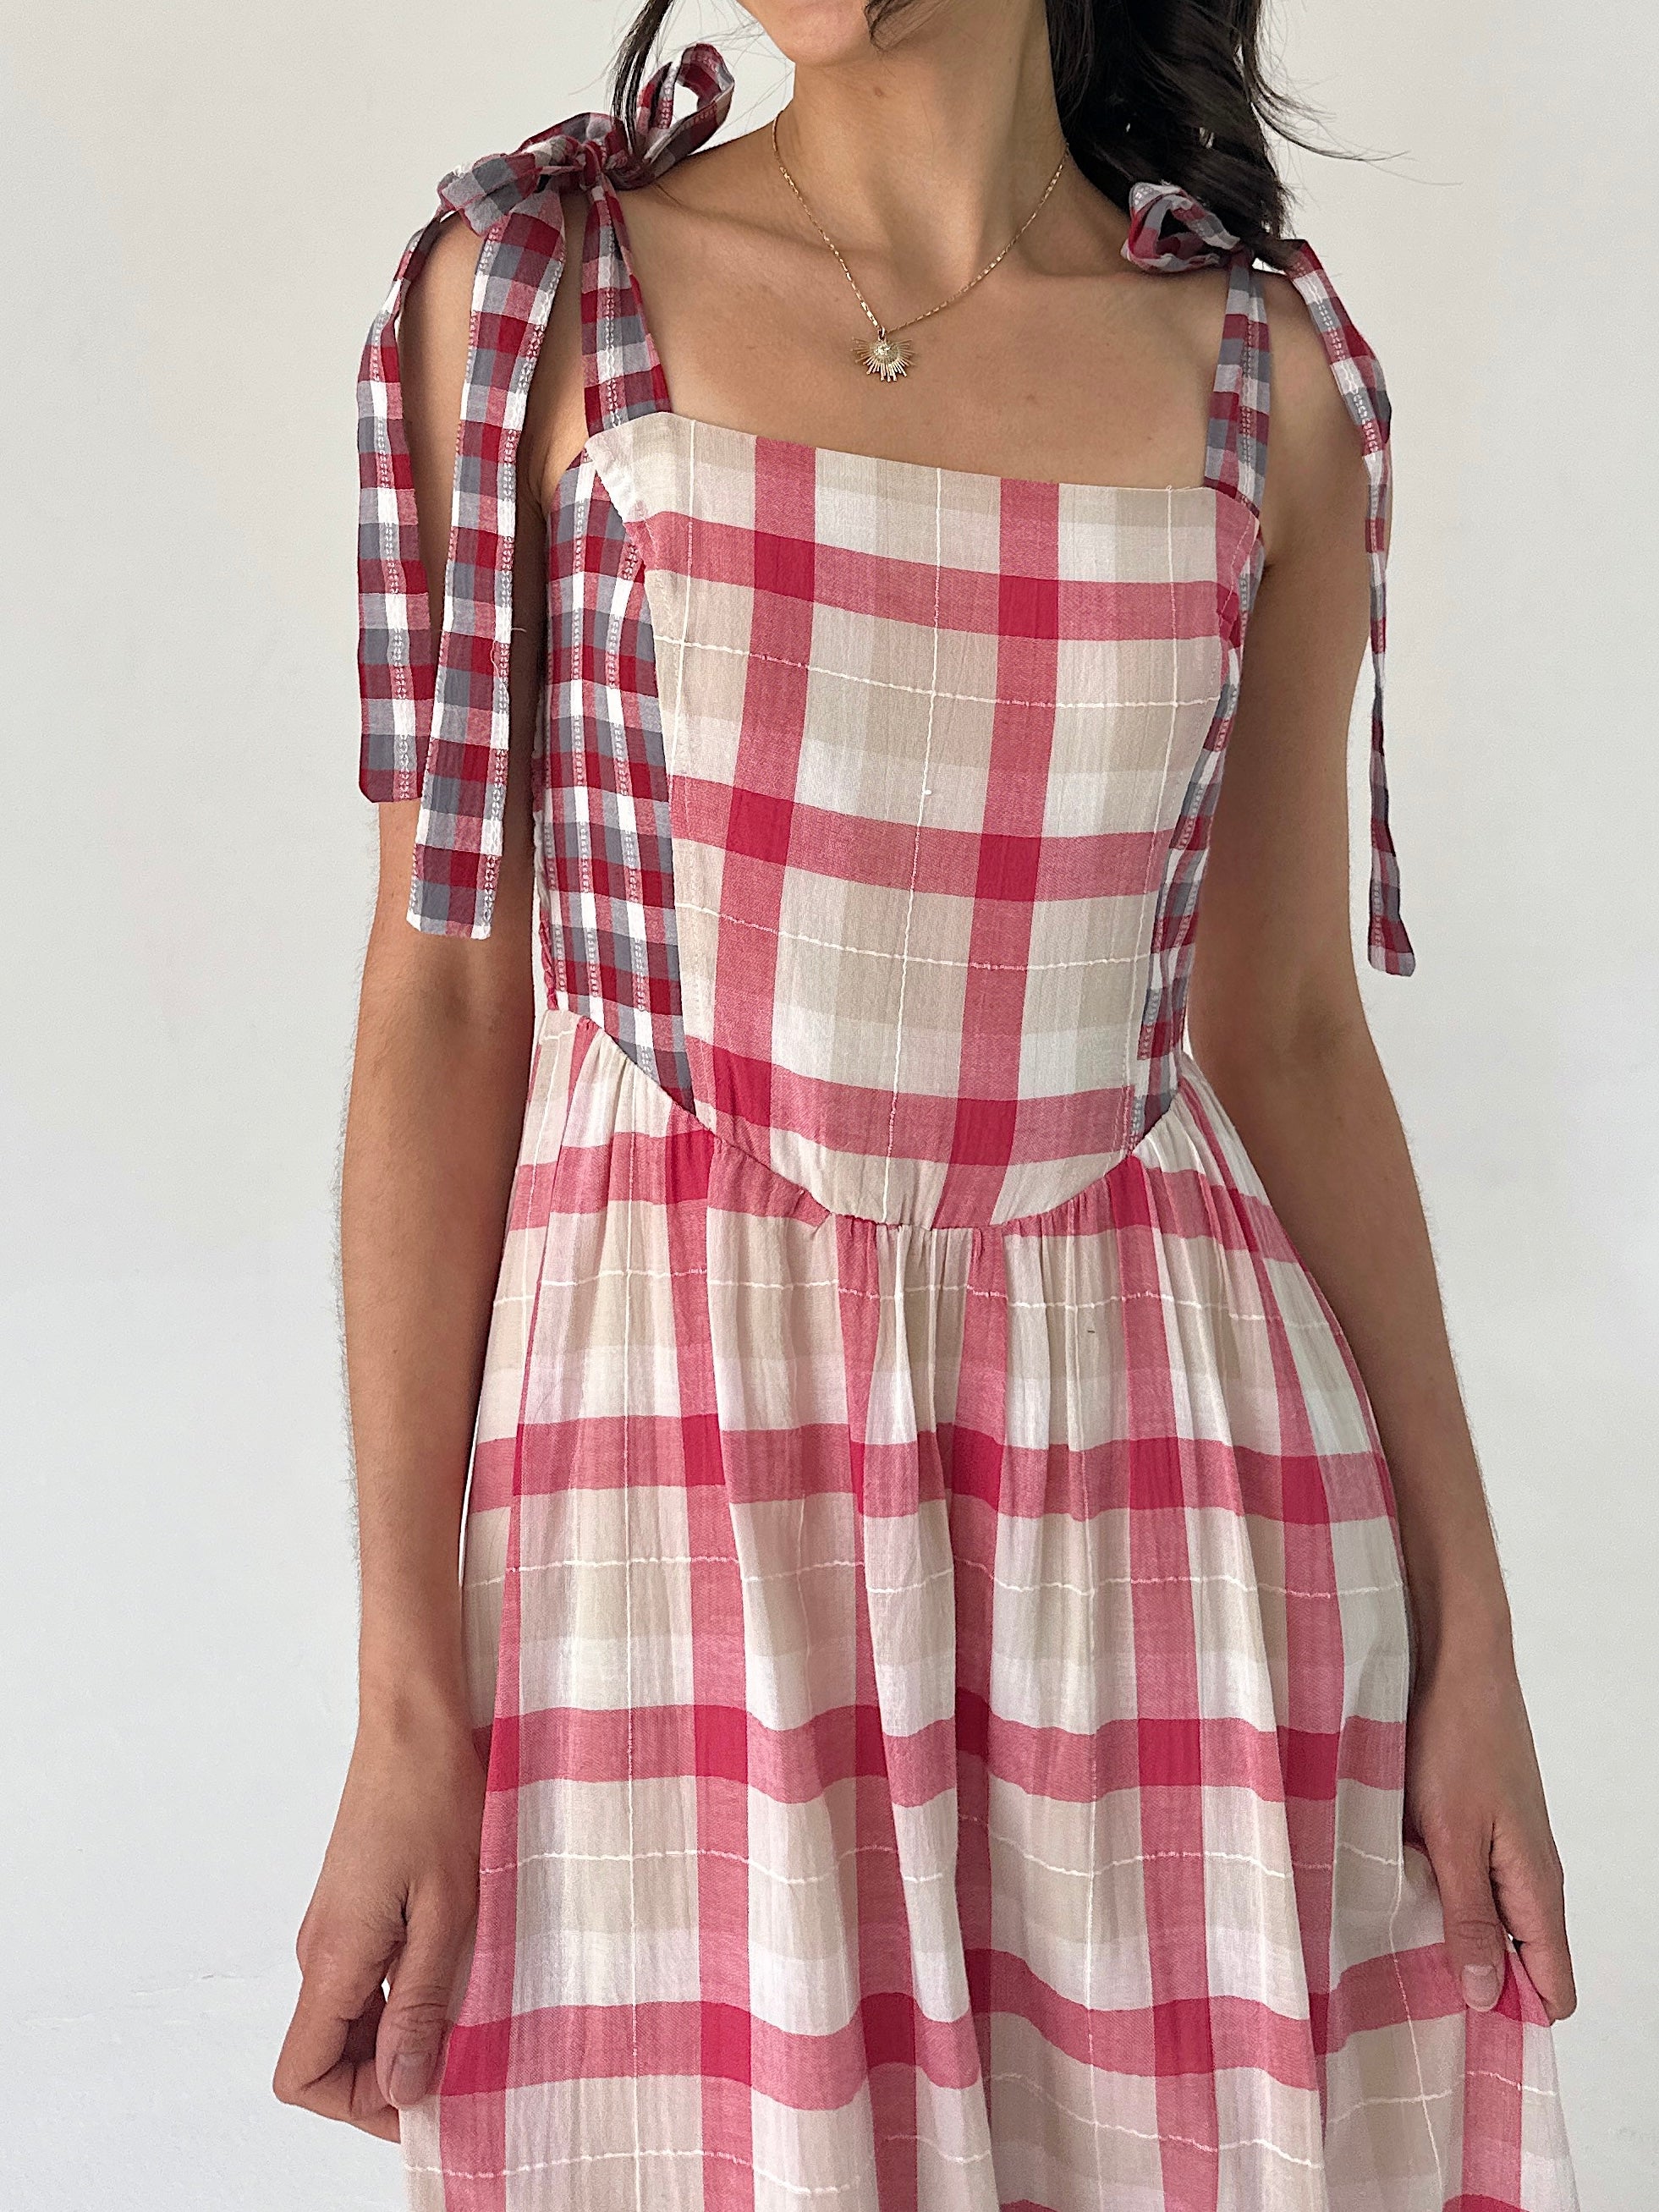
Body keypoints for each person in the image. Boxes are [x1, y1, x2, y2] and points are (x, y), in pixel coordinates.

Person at [275, 3, 1581, 2204]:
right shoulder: (530, 301)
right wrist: (408, 1704)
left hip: (1175, 1513)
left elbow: (1280, 1032)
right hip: (665, 1512)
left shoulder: (1261, 381)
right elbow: (439, 1009)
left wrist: (1473, 1641)